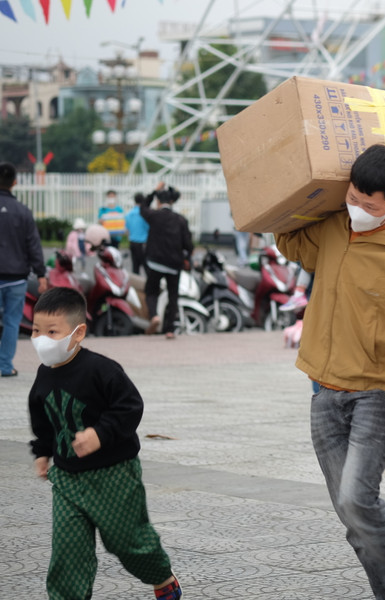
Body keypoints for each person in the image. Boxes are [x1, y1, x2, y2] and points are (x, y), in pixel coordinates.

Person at [274, 144, 385, 600]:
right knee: (351, 515)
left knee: (357, 499)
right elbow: (288, 239)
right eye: (352, 197)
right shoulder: (334, 226)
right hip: (322, 385)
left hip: (379, 391)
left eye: (369, 206)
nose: (358, 210)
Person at [28, 287, 182, 600]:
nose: (41, 339)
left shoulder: (101, 370)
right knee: (68, 551)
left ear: (78, 332)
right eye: (35, 330)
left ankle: (161, 577)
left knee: (128, 541)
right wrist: (42, 453)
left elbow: (130, 406)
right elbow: (43, 420)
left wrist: (100, 433)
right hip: (68, 479)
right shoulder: (43, 376)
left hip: (113, 475)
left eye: (52, 331)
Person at [0, 162, 49, 378]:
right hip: (16, 278)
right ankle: (4, 366)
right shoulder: (23, 212)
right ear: (15, 182)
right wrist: (41, 274)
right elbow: (33, 245)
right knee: (11, 323)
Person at [140, 183, 193, 339]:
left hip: (155, 262)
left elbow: (142, 207)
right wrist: (186, 258)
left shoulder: (153, 216)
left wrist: (154, 191)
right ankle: (169, 329)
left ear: (158, 202)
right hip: (174, 264)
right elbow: (188, 245)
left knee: (151, 291)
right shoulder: (181, 220)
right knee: (173, 296)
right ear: (172, 202)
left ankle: (154, 316)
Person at [125, 193, 150, 275]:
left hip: (133, 243)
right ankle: (149, 287)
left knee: (135, 268)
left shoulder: (129, 214)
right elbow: (149, 229)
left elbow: (127, 230)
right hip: (144, 244)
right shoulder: (145, 214)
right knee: (147, 268)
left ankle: (136, 287)